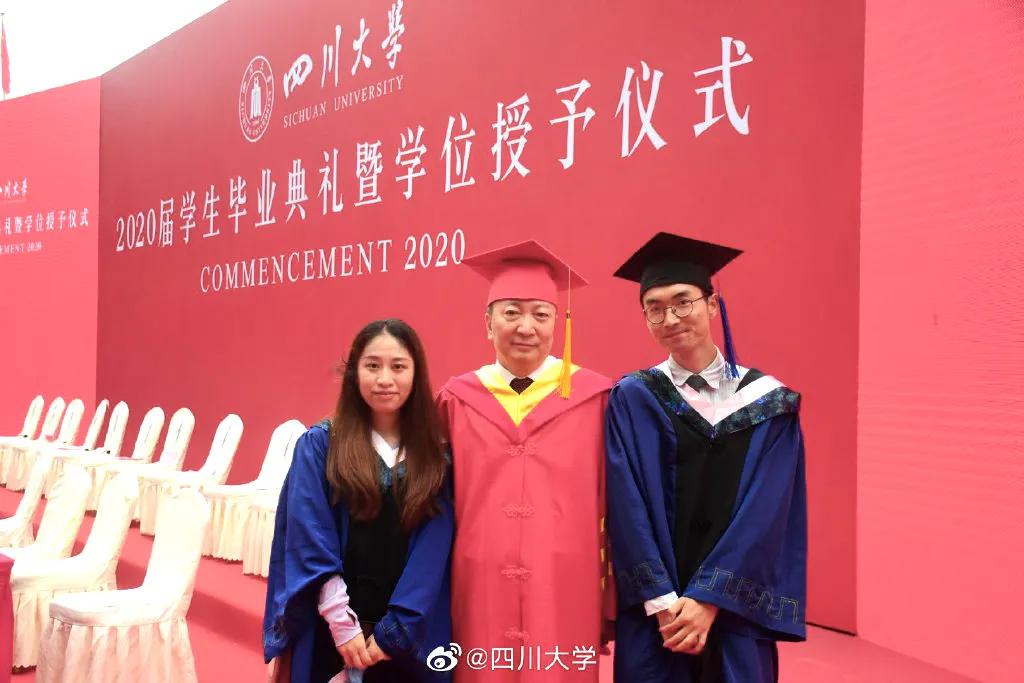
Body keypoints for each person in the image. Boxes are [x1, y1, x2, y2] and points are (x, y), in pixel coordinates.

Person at [605, 232, 807, 682]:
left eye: (683, 302)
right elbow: (625, 502)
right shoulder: (633, 397)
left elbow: (767, 511)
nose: (670, 318)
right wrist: (662, 602)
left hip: (732, 612)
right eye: (655, 308)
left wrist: (709, 599)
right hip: (659, 617)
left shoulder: (769, 403)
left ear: (712, 304)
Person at [436, 240, 614, 682]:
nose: (526, 327)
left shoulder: (597, 398)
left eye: (541, 314)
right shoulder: (456, 399)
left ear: (558, 322)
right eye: (511, 312)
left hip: (565, 583)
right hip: (477, 585)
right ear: (488, 322)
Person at [263, 319, 454, 682]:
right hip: (331, 632)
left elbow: (433, 552)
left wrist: (395, 631)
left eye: (398, 366)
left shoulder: (436, 458)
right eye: (372, 366)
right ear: (354, 373)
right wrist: (342, 623)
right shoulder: (321, 446)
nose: (385, 379)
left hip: (407, 640)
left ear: (416, 374)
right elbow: (308, 537)